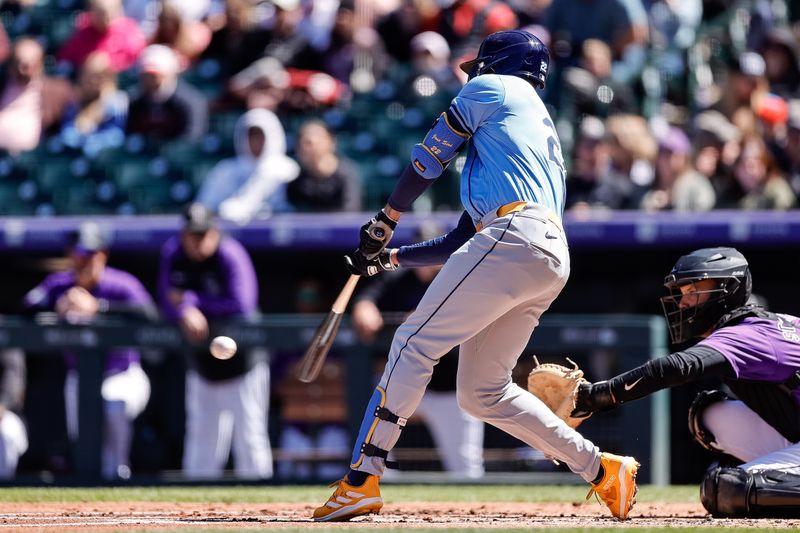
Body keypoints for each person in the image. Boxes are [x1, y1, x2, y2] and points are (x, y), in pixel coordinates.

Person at [313, 30, 639, 522]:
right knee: (482, 392)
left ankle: (362, 476)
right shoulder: (519, 132)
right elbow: (454, 243)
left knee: (411, 343)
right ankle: (601, 468)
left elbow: (429, 157)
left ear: (500, 64)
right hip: (543, 251)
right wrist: (388, 259)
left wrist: (387, 217)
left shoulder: (496, 88)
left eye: (479, 67)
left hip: (516, 236)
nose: (473, 76)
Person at [572, 247, 800, 518]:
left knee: (726, 490)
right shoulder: (762, 325)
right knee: (708, 414)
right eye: (682, 293)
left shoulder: (748, 333)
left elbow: (675, 367)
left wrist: (598, 396)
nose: (683, 302)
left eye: (693, 291)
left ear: (727, 290)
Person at [23, 222, 155, 480]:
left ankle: (119, 476)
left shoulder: (121, 285)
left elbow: (150, 315)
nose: (82, 261)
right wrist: (55, 308)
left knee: (114, 406)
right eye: (77, 254)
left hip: (122, 373)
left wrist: (99, 307)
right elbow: (25, 307)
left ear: (102, 254)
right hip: (79, 377)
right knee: (83, 440)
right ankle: (93, 503)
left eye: (89, 254)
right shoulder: (59, 285)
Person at [350, 236, 485, 480]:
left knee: (466, 470)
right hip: (408, 383)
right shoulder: (400, 278)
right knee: (373, 405)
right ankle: (374, 484)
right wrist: (365, 306)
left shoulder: (457, 277)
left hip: (449, 389)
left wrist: (426, 317)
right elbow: (368, 296)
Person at [157, 203, 272, 479]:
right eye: (192, 235)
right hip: (202, 364)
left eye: (203, 233)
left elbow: (242, 304)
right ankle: (194, 509)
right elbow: (164, 299)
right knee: (201, 438)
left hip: (244, 362)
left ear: (215, 231)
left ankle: (263, 507)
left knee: (250, 436)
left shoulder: (229, 254)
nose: (198, 241)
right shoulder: (173, 253)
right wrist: (183, 310)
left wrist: (192, 301)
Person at [195, 108, 299, 223]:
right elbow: (204, 206)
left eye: (260, 136)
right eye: (251, 136)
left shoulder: (287, 170)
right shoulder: (225, 170)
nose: (255, 142)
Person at [126, 44, 208, 141]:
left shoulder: (190, 102)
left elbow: (191, 139)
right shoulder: (135, 101)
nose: (149, 80)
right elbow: (131, 134)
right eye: (145, 75)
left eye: (154, 76)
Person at [0, 349, 27, 478]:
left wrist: (3, 404)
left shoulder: (8, 348)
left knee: (5, 430)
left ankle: (4, 485)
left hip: (8, 414)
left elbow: (13, 377)